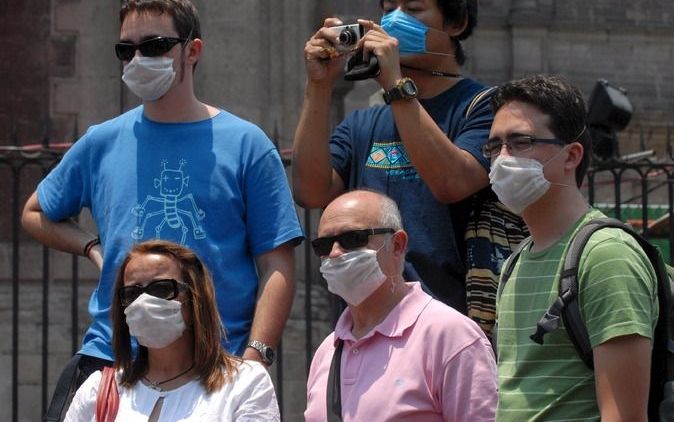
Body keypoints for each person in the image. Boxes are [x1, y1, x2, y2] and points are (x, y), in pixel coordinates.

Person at [21, 0, 302, 419]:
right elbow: (35, 212)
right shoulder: (102, 141)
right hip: (111, 360)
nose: (138, 59)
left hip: (214, 365)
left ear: (192, 50)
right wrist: (92, 248)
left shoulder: (247, 145)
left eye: (154, 45)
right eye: (126, 49)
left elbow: (277, 263)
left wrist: (256, 356)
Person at [292, 0, 493, 314]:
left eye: (414, 9)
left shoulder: (483, 107)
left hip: (451, 318)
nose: (396, 20)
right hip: (368, 321)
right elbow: (310, 191)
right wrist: (319, 85)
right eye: (388, 9)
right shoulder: (364, 123)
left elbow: (451, 182)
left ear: (456, 24)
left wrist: (396, 86)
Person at [489, 75, 658, 421]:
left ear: (571, 156)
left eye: (520, 142)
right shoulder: (515, 262)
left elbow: (624, 417)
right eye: (494, 146)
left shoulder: (607, 255)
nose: (502, 159)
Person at [304, 190, 497, 421]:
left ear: (397, 244)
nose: (335, 253)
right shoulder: (328, 350)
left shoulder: (450, 336)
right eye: (323, 246)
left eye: (352, 239)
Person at [64, 240, 280, 421]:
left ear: (195, 298)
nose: (144, 301)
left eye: (161, 289)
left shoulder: (245, 383)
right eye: (131, 293)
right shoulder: (97, 389)